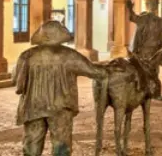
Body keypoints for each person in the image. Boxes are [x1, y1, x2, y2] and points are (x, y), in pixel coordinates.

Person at [13, 20, 106, 156]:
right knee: (61, 146)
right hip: (61, 108)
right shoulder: (69, 55)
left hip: (32, 107)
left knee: (31, 146)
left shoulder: (26, 56)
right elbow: (95, 72)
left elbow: (18, 85)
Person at [127, 0, 162, 100]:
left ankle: (155, 93)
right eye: (152, 4)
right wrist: (130, 8)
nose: (154, 6)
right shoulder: (144, 17)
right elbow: (132, 17)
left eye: (156, 4)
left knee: (154, 72)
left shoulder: (158, 20)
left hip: (156, 50)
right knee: (144, 71)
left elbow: (160, 35)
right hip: (144, 50)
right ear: (147, 6)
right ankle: (143, 91)